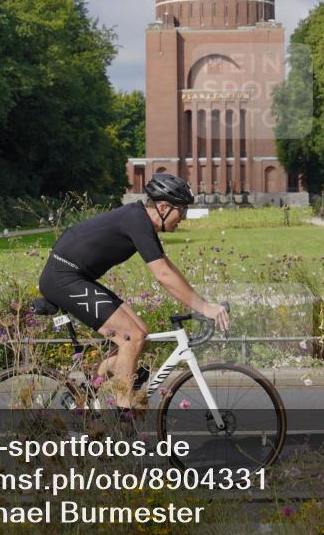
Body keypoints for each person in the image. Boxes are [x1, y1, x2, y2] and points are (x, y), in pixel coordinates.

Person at [38, 173, 230, 409]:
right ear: (163, 207)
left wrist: (202, 303)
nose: (183, 218)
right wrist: (203, 307)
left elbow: (166, 266)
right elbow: (163, 275)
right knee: (132, 337)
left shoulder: (139, 219)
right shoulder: (137, 220)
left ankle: (84, 394)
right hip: (63, 278)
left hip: (74, 276)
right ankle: (123, 414)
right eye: (182, 211)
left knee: (141, 334)